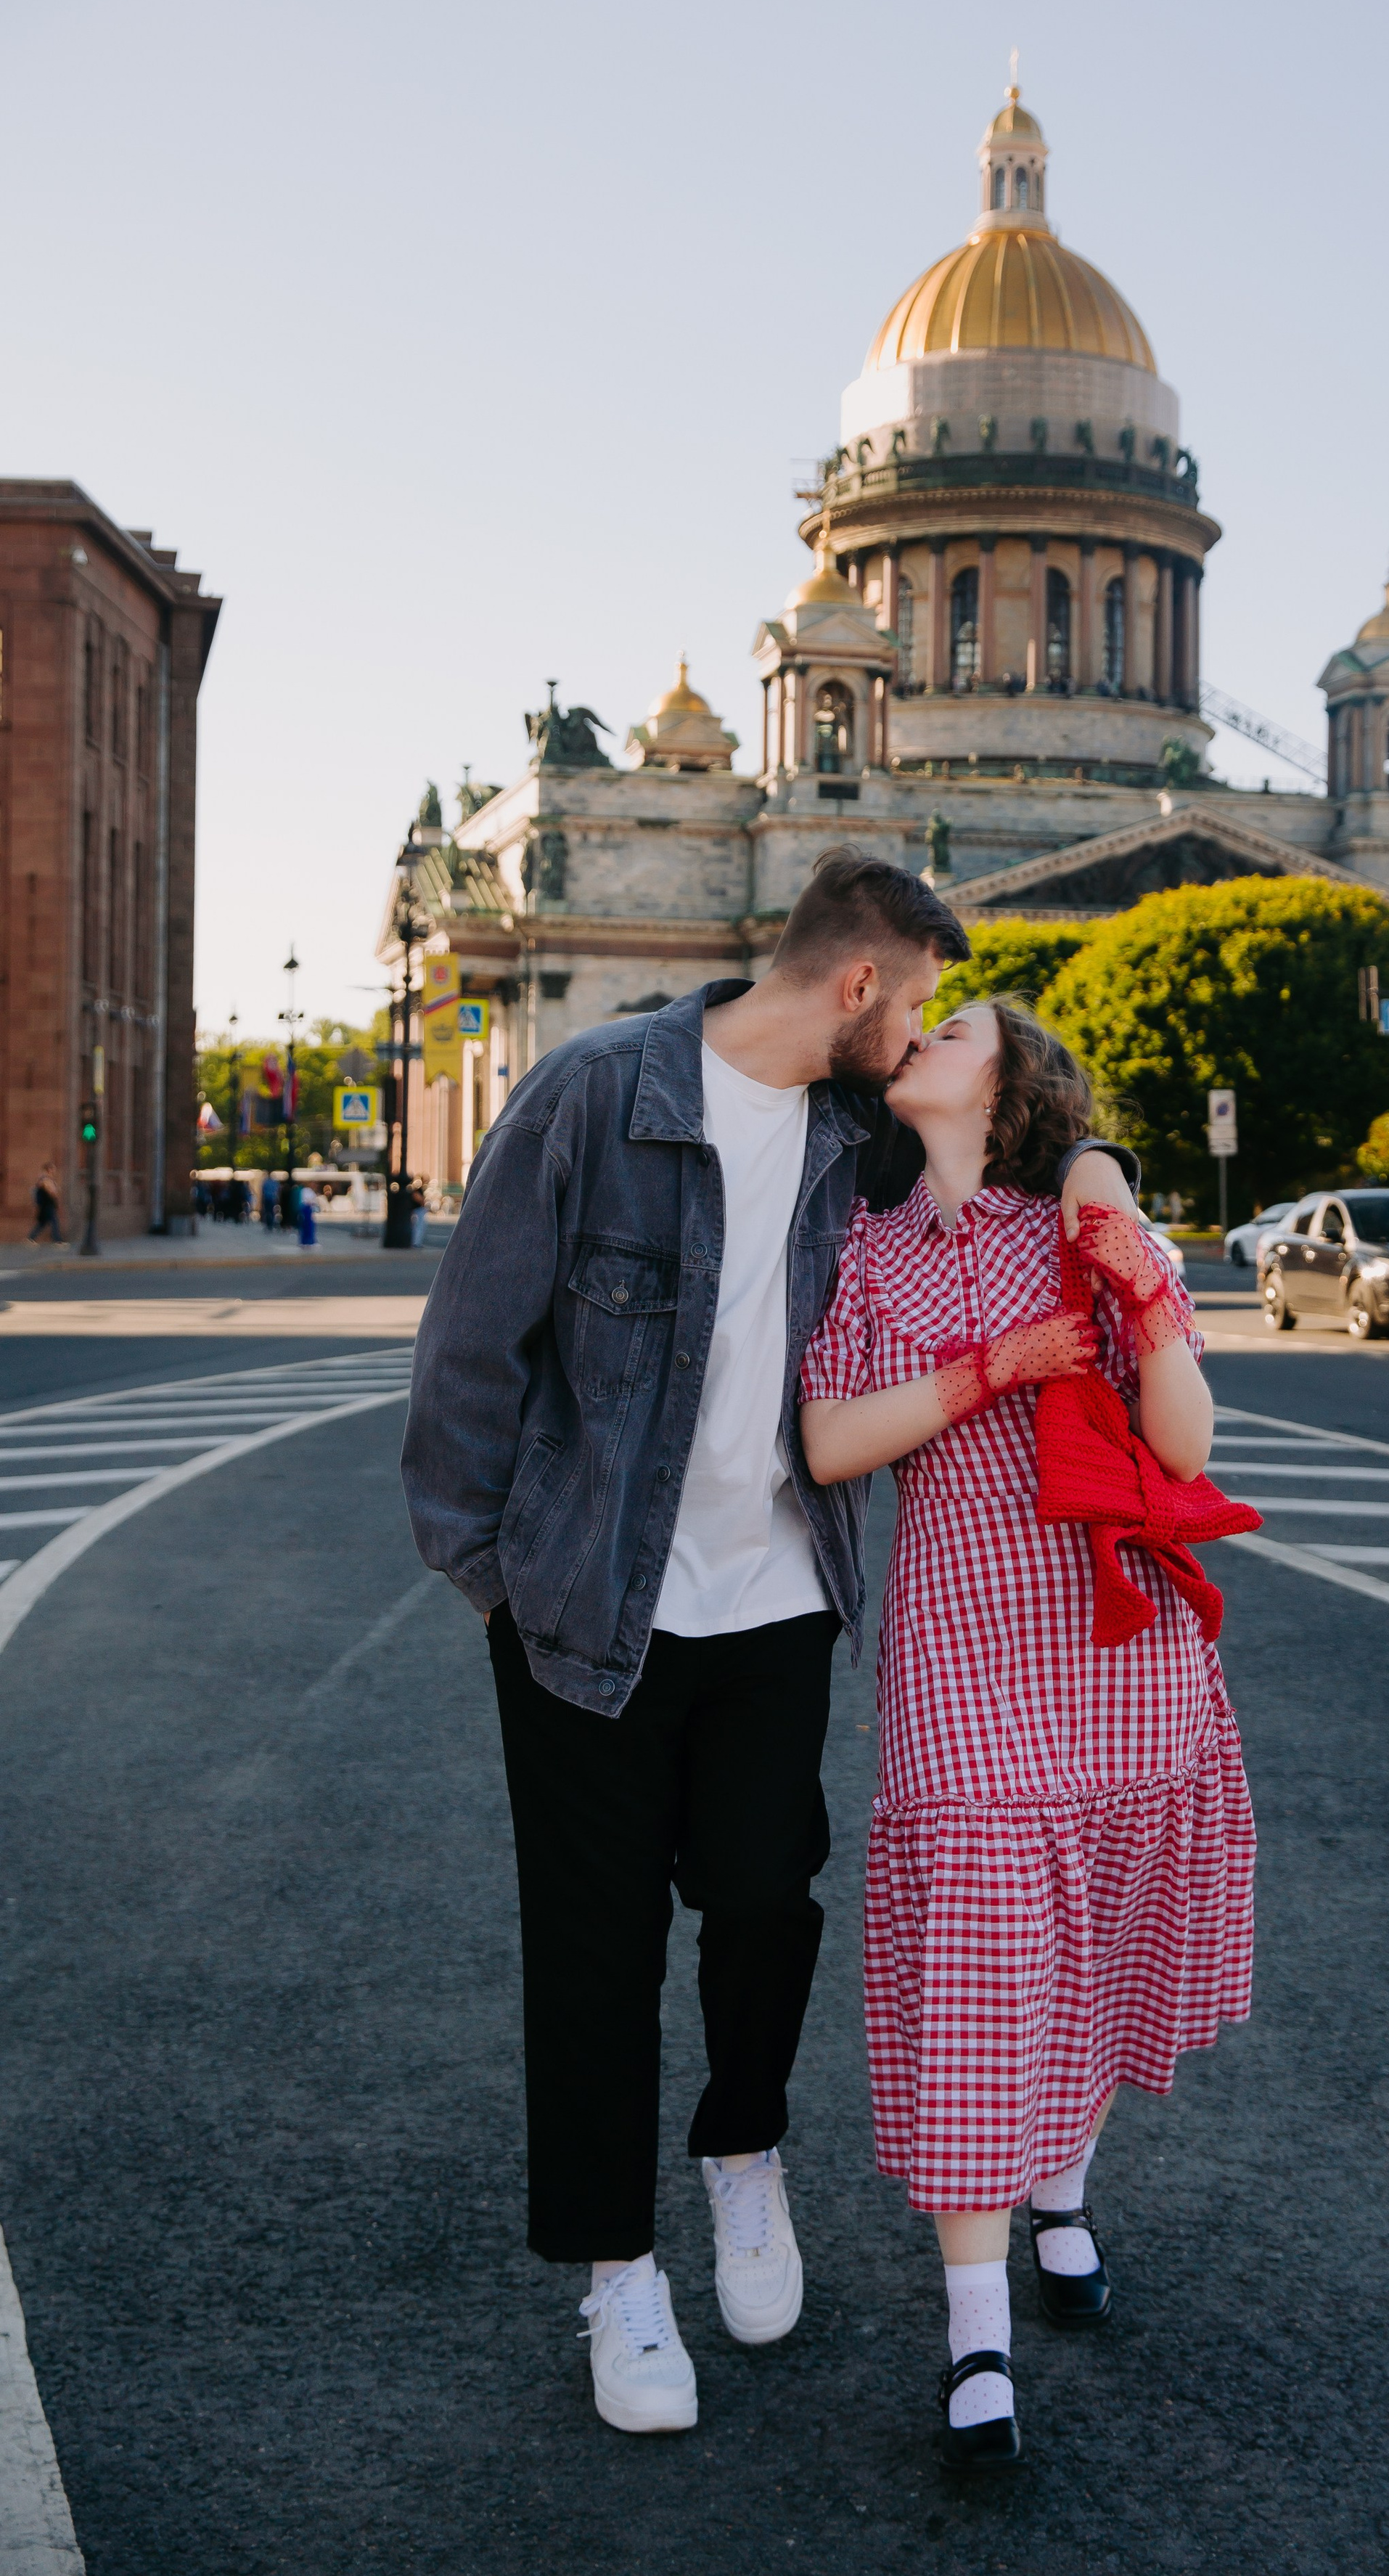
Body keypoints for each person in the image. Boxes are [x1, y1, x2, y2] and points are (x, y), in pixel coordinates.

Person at [401, 854, 1139, 2440]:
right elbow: (471, 1347)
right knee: (591, 1959)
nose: (929, 1027)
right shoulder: (594, 1094)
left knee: (759, 1902)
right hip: (589, 1614)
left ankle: (744, 2154)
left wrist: (1101, 1177)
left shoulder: (853, 1129)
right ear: (860, 988)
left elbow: (1025, 1127)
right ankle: (616, 2275)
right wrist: (493, 1578)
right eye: (922, 999)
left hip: (777, 1604)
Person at [798, 999, 1256, 2468]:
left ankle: (1061, 2187)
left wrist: (1144, 1301)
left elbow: (1181, 1446)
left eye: (953, 1025)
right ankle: (974, 2341)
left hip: (1114, 1639)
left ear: (1012, 1080)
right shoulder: (860, 1251)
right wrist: (994, 1365)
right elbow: (826, 1443)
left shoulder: (1076, 1216)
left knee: (1102, 1937)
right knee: (987, 1953)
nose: (920, 1034)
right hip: (956, 1646)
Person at [29, 1164, 61, 1245]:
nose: (54, 1171)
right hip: (47, 1204)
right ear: (49, 1169)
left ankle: (31, 1238)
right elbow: (50, 1191)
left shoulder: (47, 1179)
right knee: (54, 1221)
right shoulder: (45, 1179)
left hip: (47, 1204)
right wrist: (54, 1193)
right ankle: (57, 1240)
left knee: (42, 1223)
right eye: (53, 1169)